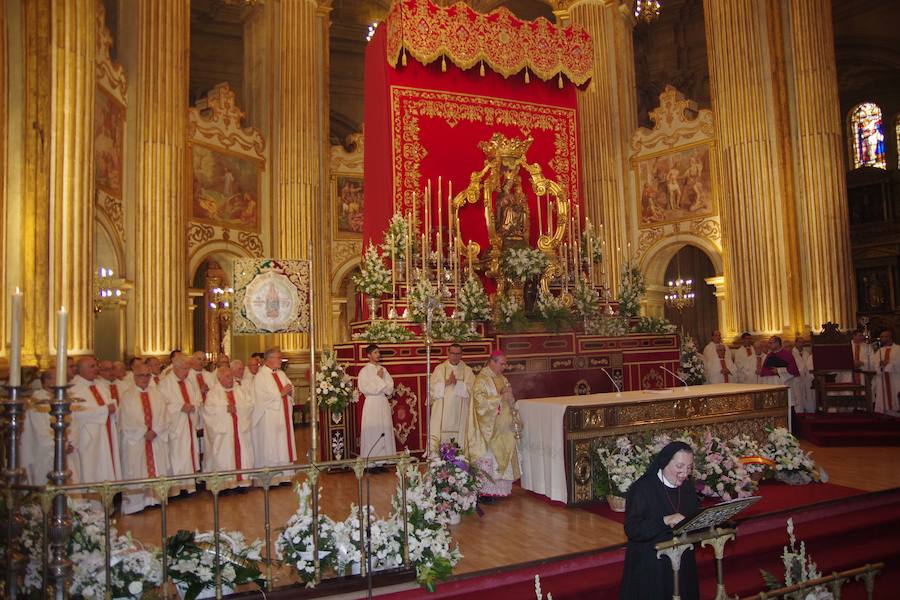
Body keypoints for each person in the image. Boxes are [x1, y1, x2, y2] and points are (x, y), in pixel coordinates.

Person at [620, 441, 700, 600]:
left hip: (682, 562)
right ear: (664, 463)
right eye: (679, 467)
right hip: (651, 566)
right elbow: (633, 529)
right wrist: (665, 520)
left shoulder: (687, 489)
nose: (685, 473)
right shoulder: (643, 488)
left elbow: (695, 519)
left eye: (689, 467)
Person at [467, 350, 520, 500]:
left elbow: (507, 398)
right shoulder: (481, 380)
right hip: (488, 427)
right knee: (489, 456)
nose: (504, 367)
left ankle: (500, 489)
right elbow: (480, 403)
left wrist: (509, 398)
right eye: (502, 363)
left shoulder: (502, 378)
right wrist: (500, 398)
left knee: (504, 452)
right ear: (493, 362)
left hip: (502, 427)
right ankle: (485, 491)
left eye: (505, 364)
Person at [119, 363, 169, 514]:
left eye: (148, 375)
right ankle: (135, 504)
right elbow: (127, 419)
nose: (145, 379)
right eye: (141, 375)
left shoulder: (157, 394)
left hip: (155, 438)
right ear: (134, 376)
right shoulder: (127, 396)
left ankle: (154, 499)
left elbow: (164, 415)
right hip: (136, 441)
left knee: (157, 468)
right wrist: (143, 431)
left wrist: (155, 430)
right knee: (136, 469)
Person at [69, 356, 120, 484]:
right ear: (81, 369)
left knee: (106, 466)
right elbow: (76, 413)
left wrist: (112, 408)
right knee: (91, 469)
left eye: (96, 365)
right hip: (88, 436)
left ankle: (107, 496)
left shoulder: (100, 385)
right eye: (92, 366)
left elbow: (110, 404)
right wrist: (104, 410)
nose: (96, 369)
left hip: (106, 432)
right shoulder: (73, 389)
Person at [203, 367, 254, 489]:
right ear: (219, 378)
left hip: (240, 431)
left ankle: (242, 483)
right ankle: (223, 485)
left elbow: (249, 406)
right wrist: (225, 409)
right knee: (223, 456)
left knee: (242, 455)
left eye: (231, 376)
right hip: (223, 435)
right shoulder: (213, 393)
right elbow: (209, 412)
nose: (230, 379)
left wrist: (238, 409)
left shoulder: (240, 390)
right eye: (227, 377)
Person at [158, 355, 201, 494]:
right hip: (175, 427)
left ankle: (188, 487)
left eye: (188, 368)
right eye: (184, 368)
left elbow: (198, 399)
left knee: (188, 455)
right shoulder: (165, 383)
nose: (187, 371)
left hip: (188, 423)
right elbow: (162, 405)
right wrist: (180, 407)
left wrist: (194, 406)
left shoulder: (189, 382)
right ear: (175, 367)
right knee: (176, 456)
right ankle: (176, 490)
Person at [252, 346, 297, 474]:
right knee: (272, 445)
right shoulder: (260, 377)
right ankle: (271, 476)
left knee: (283, 444)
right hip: (270, 418)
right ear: (269, 359)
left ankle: (286, 474)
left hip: (283, 417)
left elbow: (289, 389)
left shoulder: (281, 374)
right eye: (279, 358)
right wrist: (280, 394)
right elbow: (260, 398)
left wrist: (290, 391)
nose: (281, 360)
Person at [429, 343, 476, 452]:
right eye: (453, 353)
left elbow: (471, 390)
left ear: (461, 355)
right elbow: (432, 391)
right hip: (442, 414)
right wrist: (446, 382)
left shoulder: (467, 370)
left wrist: (457, 383)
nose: (455, 356)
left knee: (459, 442)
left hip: (460, 414)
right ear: (448, 353)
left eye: (458, 354)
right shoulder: (439, 369)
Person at [357, 344, 396, 464]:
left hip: (382, 402)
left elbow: (389, 388)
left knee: (384, 428)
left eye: (378, 352)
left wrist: (380, 384)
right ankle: (371, 461)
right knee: (372, 430)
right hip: (371, 403)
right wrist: (379, 380)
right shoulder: (364, 371)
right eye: (375, 353)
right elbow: (366, 388)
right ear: (368, 355)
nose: (378, 355)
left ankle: (385, 459)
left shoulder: (383, 370)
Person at [21, 370, 60, 485]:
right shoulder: (38, 400)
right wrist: (56, 445)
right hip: (44, 451)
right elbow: (41, 430)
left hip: (57, 447)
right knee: (44, 482)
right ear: (47, 381)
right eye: (56, 378)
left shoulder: (56, 397)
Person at [874, 329, 900, 415]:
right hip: (883, 378)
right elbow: (875, 363)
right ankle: (884, 412)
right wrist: (880, 364)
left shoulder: (898, 349)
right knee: (883, 396)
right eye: (881, 337)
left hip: (895, 377)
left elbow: (898, 362)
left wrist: (889, 363)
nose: (881, 338)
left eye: (883, 337)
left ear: (889, 337)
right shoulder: (880, 351)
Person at [791, 338, 814, 413]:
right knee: (799, 396)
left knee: (808, 394)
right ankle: (799, 412)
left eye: (803, 342)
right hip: (797, 378)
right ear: (796, 343)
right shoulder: (792, 353)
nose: (801, 344)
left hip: (806, 378)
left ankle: (809, 410)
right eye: (800, 342)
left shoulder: (806, 353)